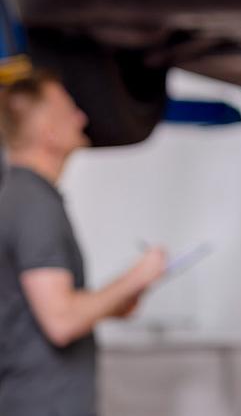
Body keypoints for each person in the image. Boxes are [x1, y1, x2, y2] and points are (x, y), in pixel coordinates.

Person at [0, 70, 167, 416]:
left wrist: (117, 300)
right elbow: (60, 321)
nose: (82, 118)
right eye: (69, 111)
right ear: (48, 134)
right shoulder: (33, 206)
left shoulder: (23, 196)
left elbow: (45, 311)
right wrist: (137, 277)